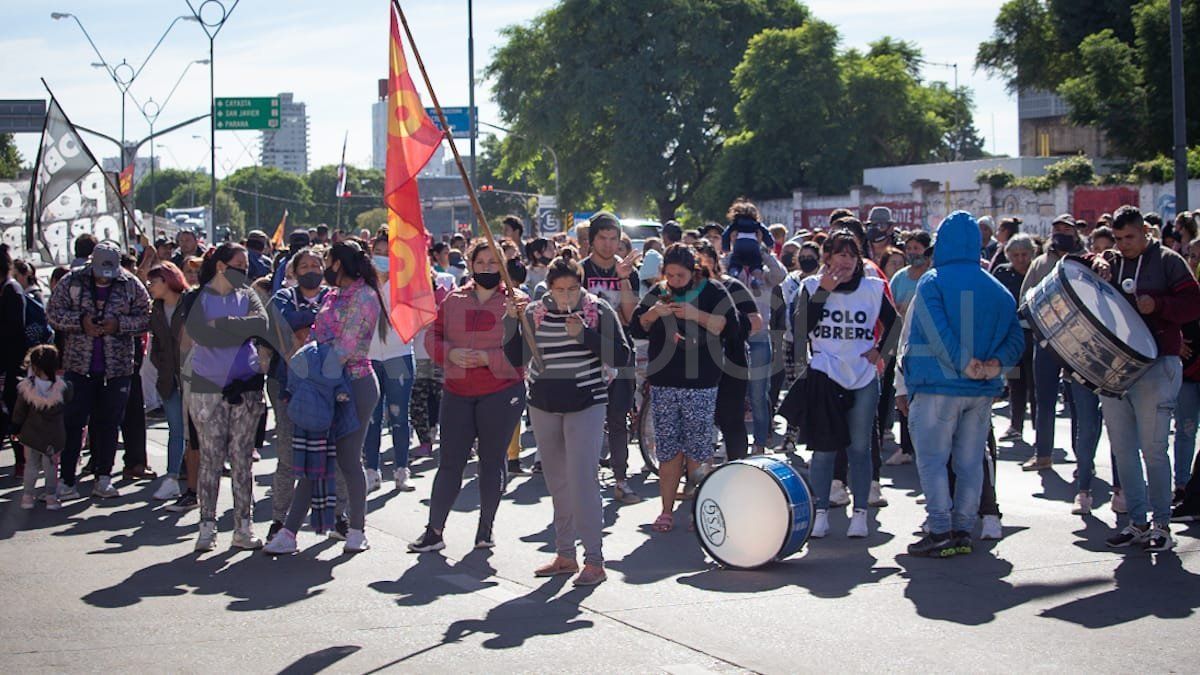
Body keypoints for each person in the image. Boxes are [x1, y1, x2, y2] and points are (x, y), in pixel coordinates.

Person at [902, 212, 1024, 557]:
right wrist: (994, 365)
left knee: (933, 460)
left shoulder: (931, 281)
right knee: (971, 462)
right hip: (982, 390)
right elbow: (1017, 338)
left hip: (937, 385)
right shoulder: (999, 290)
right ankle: (963, 529)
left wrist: (964, 364)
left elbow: (937, 332)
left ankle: (939, 529)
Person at [505, 257, 631, 586]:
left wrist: (586, 335)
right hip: (544, 404)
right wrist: (509, 321)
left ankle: (594, 560)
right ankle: (565, 555)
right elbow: (516, 358)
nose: (565, 296)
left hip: (586, 402)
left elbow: (622, 355)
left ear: (581, 285)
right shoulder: (533, 312)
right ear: (548, 288)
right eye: (559, 289)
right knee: (557, 482)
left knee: (583, 480)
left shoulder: (598, 310)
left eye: (572, 289)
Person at [266, 240, 386, 555]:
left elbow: (346, 348)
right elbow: (319, 338)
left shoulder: (365, 296)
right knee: (312, 460)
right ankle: (289, 532)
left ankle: (357, 529)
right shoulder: (332, 296)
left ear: (340, 265)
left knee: (347, 459)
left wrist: (310, 373)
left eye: (327, 262)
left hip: (354, 386)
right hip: (322, 384)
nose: (322, 269)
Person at [1091, 206, 1200, 552]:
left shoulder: (1169, 261)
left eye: (1130, 238)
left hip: (1157, 365)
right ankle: (1137, 522)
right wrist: (1096, 262)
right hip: (1115, 368)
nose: (1124, 245)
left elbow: (1193, 303)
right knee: (1123, 450)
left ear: (1145, 233)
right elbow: (1076, 264)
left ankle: (1162, 525)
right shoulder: (1110, 258)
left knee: (1154, 450)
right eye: (1119, 238)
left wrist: (1160, 305)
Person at [407, 241, 528, 553]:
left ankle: (485, 530)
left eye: (494, 262)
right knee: (449, 462)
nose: (487, 267)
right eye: (481, 261)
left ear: (504, 266)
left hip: (501, 392)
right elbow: (433, 335)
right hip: (457, 391)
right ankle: (434, 530)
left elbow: (527, 352)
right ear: (471, 264)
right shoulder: (454, 298)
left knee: (491, 461)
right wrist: (451, 353)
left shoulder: (518, 301)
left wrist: (490, 357)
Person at [788, 231, 898, 538]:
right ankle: (820, 511)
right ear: (827, 258)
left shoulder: (874, 288)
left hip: (862, 376)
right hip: (825, 373)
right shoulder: (811, 286)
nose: (847, 261)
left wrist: (881, 351)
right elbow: (800, 329)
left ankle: (860, 513)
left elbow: (895, 323)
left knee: (859, 447)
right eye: (841, 254)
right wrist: (824, 291)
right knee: (824, 450)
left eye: (853, 254)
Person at [630, 244, 736, 533]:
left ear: (693, 271)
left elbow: (728, 326)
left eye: (681, 275)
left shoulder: (712, 291)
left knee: (698, 449)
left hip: (701, 382)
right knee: (667, 448)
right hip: (664, 381)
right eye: (670, 275)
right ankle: (665, 510)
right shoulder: (659, 292)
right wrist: (652, 313)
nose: (675, 281)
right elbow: (637, 328)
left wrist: (693, 314)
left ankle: (698, 509)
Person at [182, 243, 271, 552]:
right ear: (220, 266)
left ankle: (243, 527)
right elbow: (200, 334)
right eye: (238, 266)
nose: (244, 272)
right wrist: (237, 330)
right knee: (210, 458)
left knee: (242, 459)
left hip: (245, 386)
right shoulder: (197, 297)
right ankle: (207, 527)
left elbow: (261, 325)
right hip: (207, 387)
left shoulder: (247, 296)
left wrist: (224, 325)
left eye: (246, 267)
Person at [46, 241, 151, 500]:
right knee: (73, 424)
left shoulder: (130, 284)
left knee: (109, 424)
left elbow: (147, 316)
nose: (105, 279)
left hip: (117, 368)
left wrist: (119, 325)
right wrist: (80, 323)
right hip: (78, 367)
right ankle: (67, 481)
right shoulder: (72, 281)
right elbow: (53, 313)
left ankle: (104, 478)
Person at [1020, 215, 1102, 482]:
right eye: (1056, 230)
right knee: (1043, 399)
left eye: (1066, 229)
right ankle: (1043, 453)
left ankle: (1083, 460)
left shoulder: (1085, 261)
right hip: (1045, 341)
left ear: (1076, 233)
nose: (1061, 234)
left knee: (1080, 403)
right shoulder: (1040, 263)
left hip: (1078, 344)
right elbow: (1025, 299)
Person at [264, 247, 332, 540]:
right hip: (286, 384)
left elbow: (333, 327)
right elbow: (279, 323)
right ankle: (279, 519)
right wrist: (310, 322)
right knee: (287, 455)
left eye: (316, 264)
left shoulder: (333, 297)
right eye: (304, 266)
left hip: (327, 385)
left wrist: (305, 323)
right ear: (293, 271)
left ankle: (337, 516)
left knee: (334, 455)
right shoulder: (282, 296)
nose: (310, 270)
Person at [580, 212, 643, 503]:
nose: (608, 244)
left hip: (620, 352)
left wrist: (624, 281)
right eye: (602, 238)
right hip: (583, 353)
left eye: (614, 238)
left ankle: (621, 480)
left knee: (618, 419)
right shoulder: (578, 271)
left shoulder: (628, 271)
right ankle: (583, 479)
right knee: (584, 420)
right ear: (591, 240)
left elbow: (630, 318)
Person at [694, 242, 759, 461]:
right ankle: (697, 474)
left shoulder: (732, 287)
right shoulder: (684, 290)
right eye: (696, 263)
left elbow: (756, 321)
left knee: (731, 419)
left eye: (707, 263)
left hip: (732, 361)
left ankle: (737, 467)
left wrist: (731, 324)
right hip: (696, 364)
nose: (702, 268)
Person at [363, 235, 415, 492]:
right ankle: (371, 470)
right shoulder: (364, 285)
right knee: (371, 418)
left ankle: (401, 470)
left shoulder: (404, 285)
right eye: (378, 251)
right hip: (369, 357)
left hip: (398, 355)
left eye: (388, 252)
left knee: (399, 415)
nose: (382, 257)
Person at [146, 262, 191, 501]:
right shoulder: (155, 310)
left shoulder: (189, 303)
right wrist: (161, 364)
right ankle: (172, 477)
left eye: (153, 282)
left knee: (197, 433)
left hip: (194, 379)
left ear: (166, 280)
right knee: (175, 430)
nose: (150, 287)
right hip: (169, 379)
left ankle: (199, 482)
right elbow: (157, 346)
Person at [990, 234, 1037, 442]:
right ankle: (1016, 426)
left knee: (1036, 384)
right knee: (1016, 383)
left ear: (1032, 254)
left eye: (1024, 254)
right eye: (1015, 255)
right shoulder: (1002, 273)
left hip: (1036, 337)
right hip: (1013, 338)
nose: (1020, 259)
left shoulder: (1038, 273)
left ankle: (1040, 429)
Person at [13, 345, 69, 511]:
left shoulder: (26, 388)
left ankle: (27, 497)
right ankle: (51, 497)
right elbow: (70, 400)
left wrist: (15, 428)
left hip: (31, 434)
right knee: (51, 466)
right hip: (53, 435)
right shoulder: (63, 388)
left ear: (33, 365)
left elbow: (19, 411)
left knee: (31, 465)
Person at [1, 244, 27, 478]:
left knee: (14, 414)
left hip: (11, 366)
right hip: (7, 364)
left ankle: (22, 461)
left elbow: (13, 331)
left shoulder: (11, 291)